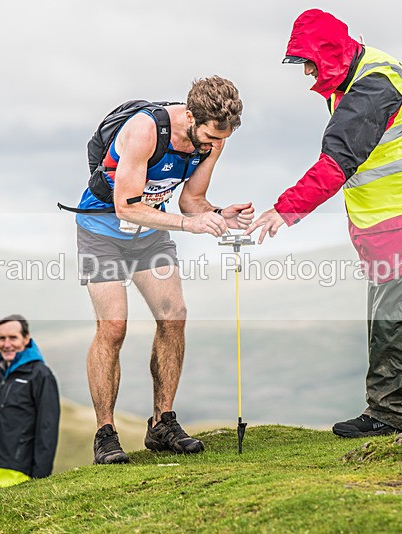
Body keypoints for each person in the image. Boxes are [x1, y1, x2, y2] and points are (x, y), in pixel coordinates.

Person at [247, 9, 402, 438]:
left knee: (392, 316)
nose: (307, 74)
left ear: (329, 54)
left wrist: (284, 210)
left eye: (309, 63)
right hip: (390, 220)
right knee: (388, 314)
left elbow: (336, 163)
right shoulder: (359, 74)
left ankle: (389, 416)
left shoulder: (371, 88)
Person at [74, 76, 253, 463]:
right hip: (101, 229)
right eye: (208, 136)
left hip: (149, 234)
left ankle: (162, 423)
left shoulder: (215, 139)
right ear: (190, 116)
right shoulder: (145, 130)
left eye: (221, 138)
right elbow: (126, 206)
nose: (213, 145)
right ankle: (105, 434)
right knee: (114, 326)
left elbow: (192, 202)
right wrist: (189, 225)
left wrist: (220, 214)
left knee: (174, 317)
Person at [0, 315, 61, 490]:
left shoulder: (41, 375)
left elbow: (47, 430)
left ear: (26, 339)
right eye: (1, 338)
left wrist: (40, 480)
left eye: (13, 338)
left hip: (18, 477)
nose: (6, 344)